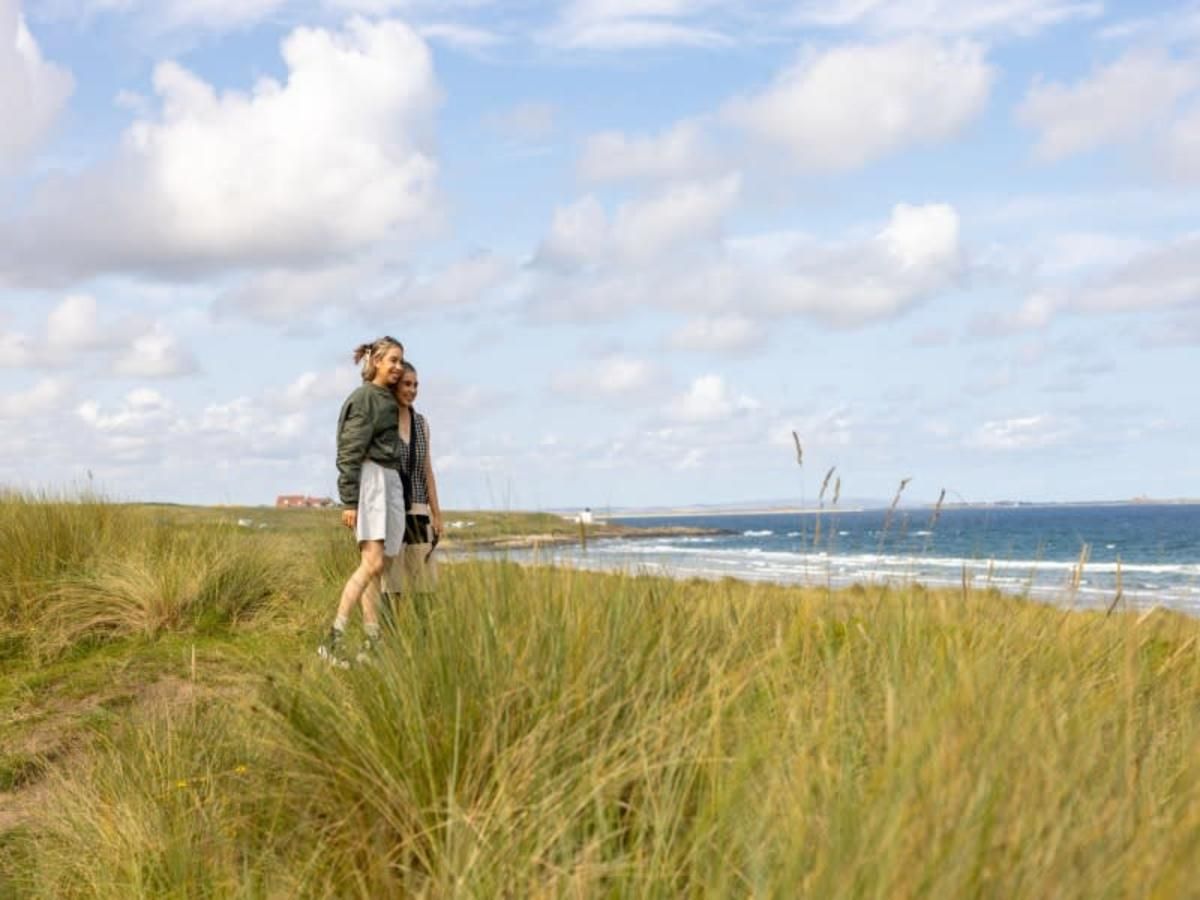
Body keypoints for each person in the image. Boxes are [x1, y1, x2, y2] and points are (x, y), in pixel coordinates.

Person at [318, 336, 406, 667]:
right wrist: (350, 501)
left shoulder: (386, 398)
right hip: (371, 483)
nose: (397, 367)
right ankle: (333, 640)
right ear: (376, 362)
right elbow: (349, 451)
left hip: (389, 480)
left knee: (379, 566)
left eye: (400, 361)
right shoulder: (365, 398)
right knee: (370, 564)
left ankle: (372, 643)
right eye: (392, 360)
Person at [381, 360, 442, 625]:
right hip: (391, 510)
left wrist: (436, 514)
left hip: (418, 510)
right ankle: (387, 641)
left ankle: (423, 640)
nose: (412, 390)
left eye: (416, 385)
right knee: (390, 584)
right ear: (395, 386)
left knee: (424, 585)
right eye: (407, 384)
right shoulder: (383, 421)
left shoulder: (421, 424)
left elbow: (427, 470)